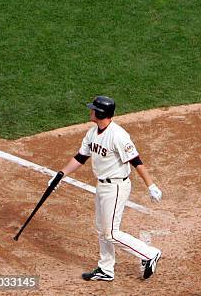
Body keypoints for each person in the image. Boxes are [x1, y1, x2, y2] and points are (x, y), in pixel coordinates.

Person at [51, 95, 163, 282]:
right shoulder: (93, 133)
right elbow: (80, 157)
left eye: (93, 109)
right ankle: (106, 269)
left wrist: (151, 185)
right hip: (102, 186)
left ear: (100, 113)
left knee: (111, 232)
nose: (90, 111)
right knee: (101, 229)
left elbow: (136, 161)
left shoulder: (118, 135)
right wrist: (60, 174)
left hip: (117, 187)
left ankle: (149, 253)